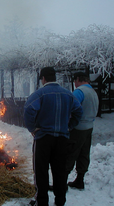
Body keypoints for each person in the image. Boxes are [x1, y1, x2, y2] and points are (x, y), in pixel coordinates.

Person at [24, 67, 83, 206]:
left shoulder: (40, 94)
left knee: (41, 170)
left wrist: (32, 128)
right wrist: (69, 126)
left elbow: (28, 109)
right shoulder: (68, 94)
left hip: (43, 138)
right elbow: (79, 111)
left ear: (43, 79)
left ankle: (42, 201)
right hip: (62, 139)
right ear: (54, 78)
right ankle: (60, 201)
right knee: (59, 171)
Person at [66, 72, 99, 190]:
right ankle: (80, 180)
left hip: (77, 129)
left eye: (75, 81)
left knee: (70, 153)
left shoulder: (79, 92)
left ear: (78, 79)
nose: (75, 84)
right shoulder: (93, 92)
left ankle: (62, 182)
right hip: (89, 128)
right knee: (84, 154)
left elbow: (70, 108)